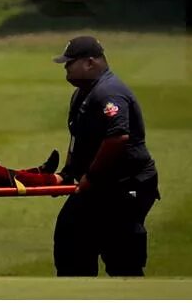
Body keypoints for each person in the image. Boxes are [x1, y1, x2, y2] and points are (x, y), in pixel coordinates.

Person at [51, 36, 159, 277]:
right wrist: (68, 174)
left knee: (121, 254)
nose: (65, 68)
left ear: (89, 63)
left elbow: (117, 138)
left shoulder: (109, 93)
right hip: (101, 184)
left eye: (70, 63)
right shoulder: (83, 94)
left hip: (126, 184)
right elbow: (77, 139)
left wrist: (90, 176)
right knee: (71, 239)